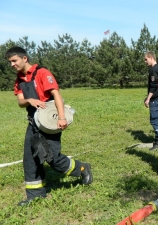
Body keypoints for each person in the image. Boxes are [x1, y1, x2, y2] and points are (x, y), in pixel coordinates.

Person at [5, 47, 93, 206]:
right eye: (10, 62)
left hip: (49, 122)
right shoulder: (19, 79)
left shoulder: (42, 73)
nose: (12, 64)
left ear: (24, 58)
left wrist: (61, 117)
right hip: (33, 123)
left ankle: (81, 168)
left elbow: (56, 95)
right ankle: (35, 195)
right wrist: (29, 101)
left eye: (14, 61)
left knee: (52, 158)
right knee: (30, 158)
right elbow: (20, 101)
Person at [144, 51, 158, 150]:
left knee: (155, 120)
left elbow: (153, 86)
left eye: (146, 59)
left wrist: (148, 98)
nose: (145, 62)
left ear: (151, 57)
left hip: (155, 99)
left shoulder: (153, 70)